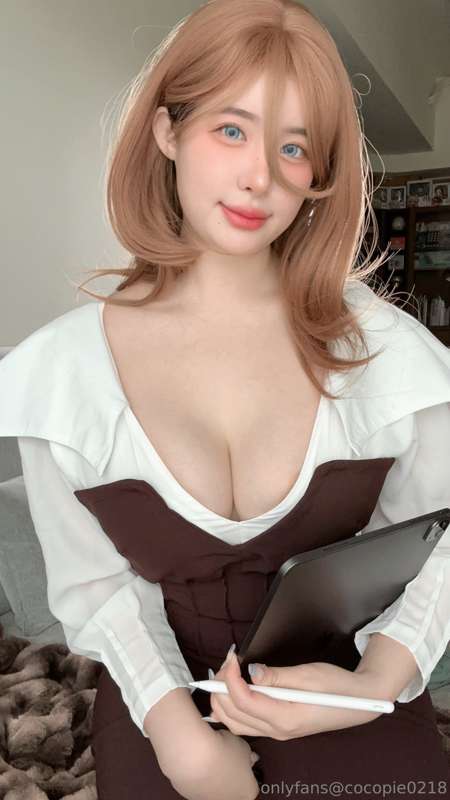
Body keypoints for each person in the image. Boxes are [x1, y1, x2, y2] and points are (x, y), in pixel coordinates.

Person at [1, 1, 450, 797]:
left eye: (294, 148)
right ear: (167, 130)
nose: (260, 177)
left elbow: (439, 539)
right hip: (163, 700)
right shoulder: (60, 375)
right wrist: (182, 741)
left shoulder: (389, 353)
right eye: (232, 130)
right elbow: (95, 586)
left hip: (346, 693)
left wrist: (372, 681)